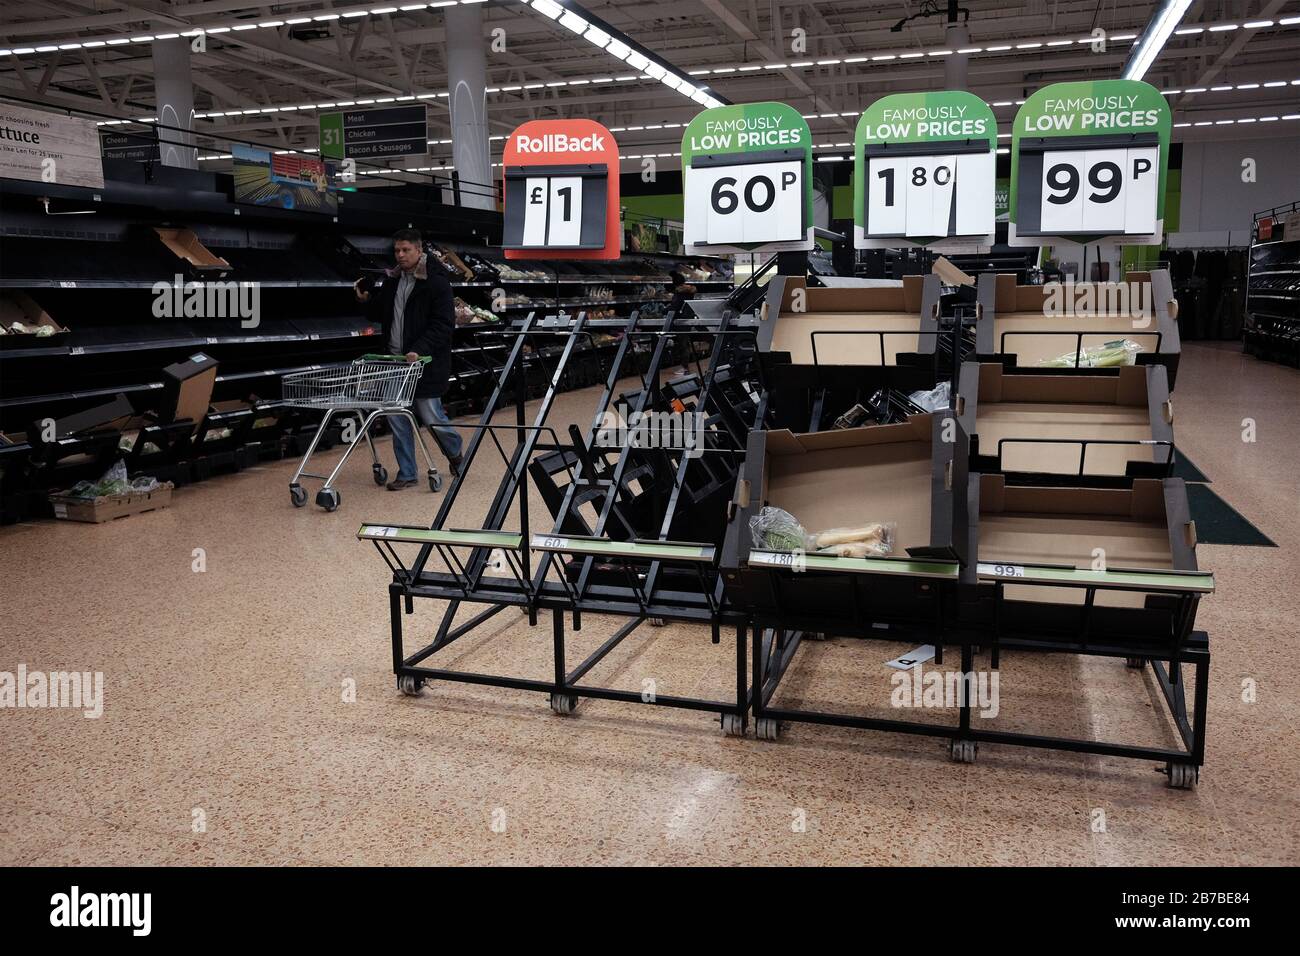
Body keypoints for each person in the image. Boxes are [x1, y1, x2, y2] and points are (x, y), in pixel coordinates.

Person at [354, 228, 464, 489]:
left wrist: (420, 349)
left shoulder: (436, 282)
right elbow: (382, 314)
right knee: (396, 415)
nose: (400, 255)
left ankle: (455, 451)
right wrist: (366, 301)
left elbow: (443, 324)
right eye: (397, 251)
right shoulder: (393, 281)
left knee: (432, 416)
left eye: (406, 250)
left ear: (419, 250)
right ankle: (407, 473)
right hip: (394, 362)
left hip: (424, 363)